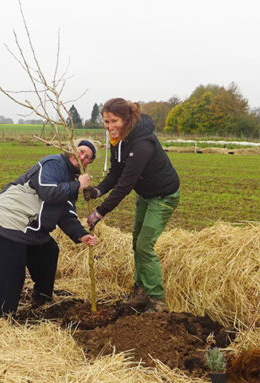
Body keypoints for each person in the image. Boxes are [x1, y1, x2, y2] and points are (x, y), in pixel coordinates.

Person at [84, 98, 180, 313]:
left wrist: (99, 212)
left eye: (114, 121)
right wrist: (98, 190)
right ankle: (141, 291)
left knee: (145, 245)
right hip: (145, 195)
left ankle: (157, 300)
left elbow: (125, 184)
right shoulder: (117, 138)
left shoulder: (142, 143)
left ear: (127, 119)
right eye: (106, 122)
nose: (109, 127)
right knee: (137, 242)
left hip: (163, 196)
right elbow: (116, 172)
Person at [0, 140, 98, 318]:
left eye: (87, 157)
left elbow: (66, 213)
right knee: (11, 273)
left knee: (48, 252)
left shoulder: (70, 179)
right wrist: (78, 186)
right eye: (81, 151)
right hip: (11, 219)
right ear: (71, 149)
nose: (82, 157)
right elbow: (48, 191)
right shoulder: (54, 163)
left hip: (29, 226)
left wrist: (82, 235)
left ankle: (42, 299)